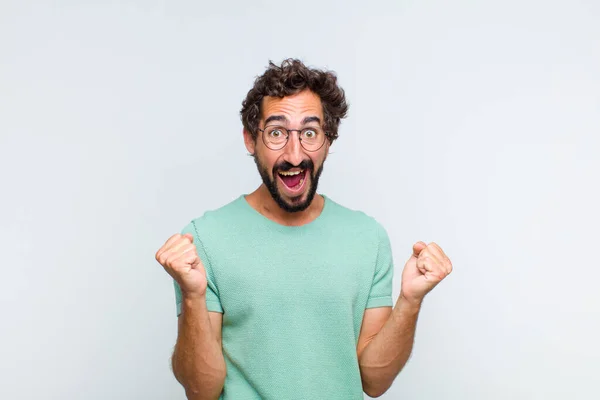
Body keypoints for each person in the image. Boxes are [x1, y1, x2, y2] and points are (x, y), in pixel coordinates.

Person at [154, 58, 453, 400]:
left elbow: (374, 382)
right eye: (277, 133)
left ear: (328, 140)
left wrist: (410, 301)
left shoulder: (367, 238)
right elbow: (201, 390)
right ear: (251, 140)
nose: (295, 154)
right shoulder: (204, 239)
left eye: (310, 132)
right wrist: (193, 295)